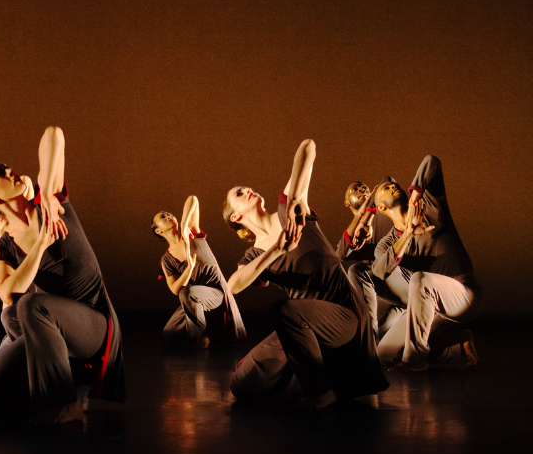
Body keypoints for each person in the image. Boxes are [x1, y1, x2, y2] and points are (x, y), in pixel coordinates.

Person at [0, 126, 125, 424]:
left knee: (30, 306)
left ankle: (64, 403)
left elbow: (54, 134)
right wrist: (40, 245)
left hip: (93, 328)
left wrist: (50, 194)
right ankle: (46, 383)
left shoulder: (48, 203)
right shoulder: (2, 248)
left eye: (5, 166)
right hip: (49, 330)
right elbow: (8, 292)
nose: (10, 170)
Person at [223, 140, 387, 409]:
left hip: (342, 317)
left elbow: (308, 147)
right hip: (304, 324)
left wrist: (298, 201)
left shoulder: (288, 211)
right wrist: (277, 249)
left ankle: (321, 391)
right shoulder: (255, 255)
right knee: (241, 382)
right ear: (236, 217)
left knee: (282, 310)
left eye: (247, 188)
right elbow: (234, 286)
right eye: (240, 193)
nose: (248, 190)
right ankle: (322, 376)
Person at [372, 155, 480, 372]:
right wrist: (408, 234)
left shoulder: (431, 209)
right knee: (383, 355)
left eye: (394, 184)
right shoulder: (387, 244)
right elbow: (379, 270)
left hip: (463, 295)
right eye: (386, 187)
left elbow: (432, 162)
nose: (393, 185)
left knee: (419, 279)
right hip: (429, 307)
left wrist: (415, 195)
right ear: (381, 208)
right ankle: (456, 343)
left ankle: (416, 359)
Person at [152, 195, 246, 347]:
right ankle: (198, 330)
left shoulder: (191, 233)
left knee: (186, 293)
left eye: (170, 214)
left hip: (216, 294)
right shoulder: (166, 260)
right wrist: (189, 269)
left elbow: (193, 199)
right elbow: (175, 288)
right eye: (163, 217)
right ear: (158, 231)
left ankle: (201, 334)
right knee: (168, 335)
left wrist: (184, 223)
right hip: (194, 298)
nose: (169, 216)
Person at [336, 180, 407, 339]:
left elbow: (388, 181)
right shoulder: (353, 232)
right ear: (347, 203)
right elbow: (341, 255)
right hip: (379, 296)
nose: (362, 189)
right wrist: (360, 220)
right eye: (355, 189)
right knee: (378, 341)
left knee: (356, 270)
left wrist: (368, 218)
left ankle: (369, 337)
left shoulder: (384, 214)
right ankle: (457, 344)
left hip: (399, 282)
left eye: (363, 187)